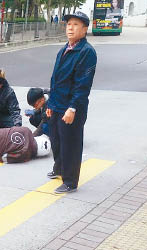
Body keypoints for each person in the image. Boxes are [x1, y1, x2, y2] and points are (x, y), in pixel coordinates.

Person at [46, 12, 97, 194]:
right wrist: (50, 104)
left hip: (72, 107)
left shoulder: (87, 52)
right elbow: (55, 79)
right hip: (58, 104)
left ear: (84, 29)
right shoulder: (64, 49)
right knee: (56, 140)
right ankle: (59, 168)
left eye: (75, 24)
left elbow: (83, 84)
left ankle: (70, 181)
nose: (70, 27)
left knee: (71, 144)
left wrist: (73, 107)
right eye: (68, 24)